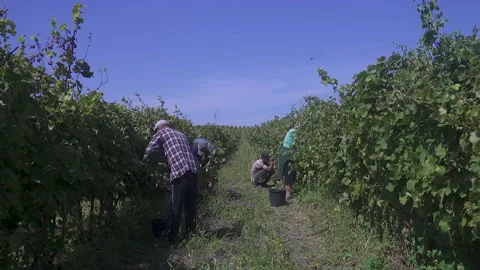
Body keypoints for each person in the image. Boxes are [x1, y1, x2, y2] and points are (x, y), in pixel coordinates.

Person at [143, 120, 199, 243]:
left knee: (176, 207)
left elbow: (149, 150)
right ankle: (191, 236)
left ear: (158, 128)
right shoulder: (181, 134)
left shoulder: (161, 133)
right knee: (190, 207)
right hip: (193, 171)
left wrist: (145, 163)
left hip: (180, 171)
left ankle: (171, 238)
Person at [278, 126, 297, 201]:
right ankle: (287, 194)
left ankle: (289, 193)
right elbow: (297, 142)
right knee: (289, 174)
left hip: (289, 153)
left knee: (292, 173)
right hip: (286, 155)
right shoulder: (293, 132)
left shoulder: (292, 132)